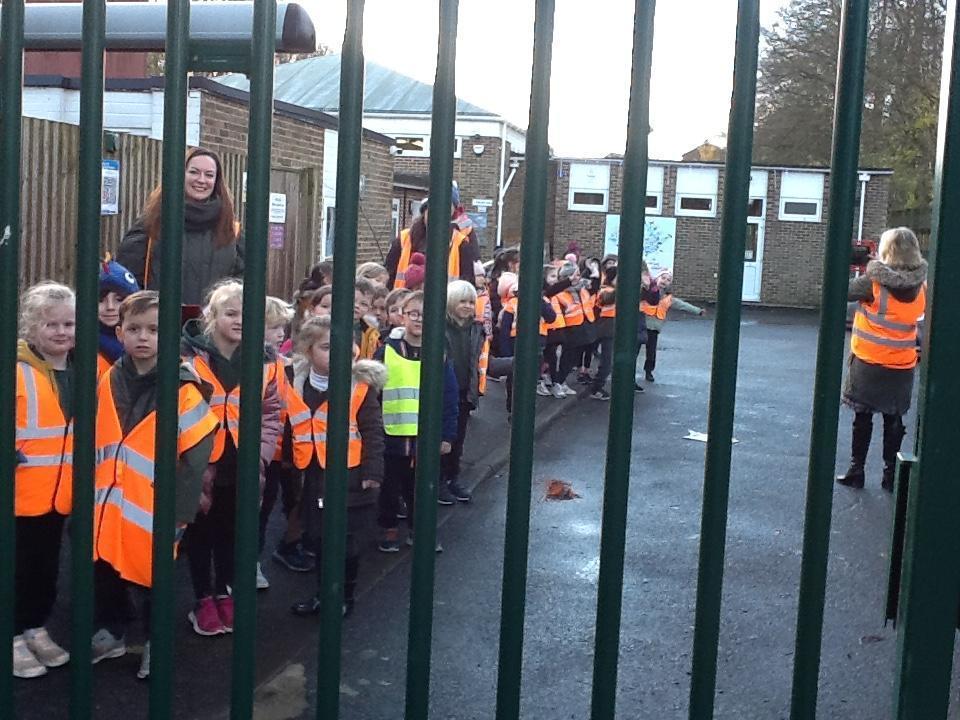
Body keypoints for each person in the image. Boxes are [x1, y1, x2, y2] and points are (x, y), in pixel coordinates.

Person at [90, 291, 218, 679]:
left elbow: (196, 452)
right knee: (105, 570)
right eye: (134, 329)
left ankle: (154, 642)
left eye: (154, 329)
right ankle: (111, 631)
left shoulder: (183, 387)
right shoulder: (109, 377)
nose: (143, 337)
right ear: (120, 332)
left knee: (154, 580)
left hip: (154, 505)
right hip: (107, 501)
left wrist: (180, 510)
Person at [180, 280, 282, 635]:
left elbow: (271, 413)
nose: (239, 320)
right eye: (230, 313)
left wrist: (262, 455)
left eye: (246, 314)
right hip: (201, 462)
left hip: (243, 461)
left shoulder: (265, 362)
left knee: (231, 532)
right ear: (212, 316)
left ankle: (224, 591)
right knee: (200, 533)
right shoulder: (189, 358)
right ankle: (202, 598)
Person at [287, 316, 386, 617]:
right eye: (327, 347)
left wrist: (372, 471)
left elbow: (372, 430)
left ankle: (344, 596)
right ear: (308, 350)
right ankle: (323, 593)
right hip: (312, 474)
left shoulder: (359, 387)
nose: (336, 354)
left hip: (350, 475)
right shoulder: (296, 383)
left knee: (346, 541)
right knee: (319, 538)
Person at [13, 282, 75, 679]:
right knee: (15, 567)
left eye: (68, 323)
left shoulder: (83, 369)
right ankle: (12, 635)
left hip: (59, 494)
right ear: (31, 327)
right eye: (51, 324)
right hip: (20, 492)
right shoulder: (15, 370)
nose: (61, 331)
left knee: (46, 567)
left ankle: (35, 625)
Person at [837, 227, 927, 491]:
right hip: (902, 366)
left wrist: (866, 265)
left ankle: (857, 470)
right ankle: (890, 475)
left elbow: (842, 292)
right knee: (894, 420)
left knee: (862, 418)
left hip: (868, 362)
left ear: (887, 251)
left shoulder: (872, 282)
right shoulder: (922, 286)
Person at [375, 291, 459, 552]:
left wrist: (447, 435)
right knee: (389, 486)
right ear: (403, 316)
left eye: (425, 315)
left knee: (421, 489)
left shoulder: (438, 353)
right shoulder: (386, 351)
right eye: (413, 314)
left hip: (426, 437)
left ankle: (419, 530)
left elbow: (449, 396)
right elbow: (372, 395)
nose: (419, 319)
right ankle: (389, 528)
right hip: (391, 435)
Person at [116, 147, 243, 306]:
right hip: (160, 319)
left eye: (209, 175)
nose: (201, 180)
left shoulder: (232, 232)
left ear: (216, 181)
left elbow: (241, 289)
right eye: (194, 172)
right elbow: (129, 284)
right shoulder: (150, 226)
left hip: (212, 321)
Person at [260, 297, 311, 587]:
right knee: (257, 509)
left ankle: (269, 554)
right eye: (274, 327)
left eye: (283, 328)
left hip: (285, 449)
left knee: (280, 503)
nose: (281, 334)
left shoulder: (286, 365)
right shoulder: (258, 364)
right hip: (262, 450)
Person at [386, 182, 480, 288]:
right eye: (433, 210)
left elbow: (467, 285)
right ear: (425, 212)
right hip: (404, 297)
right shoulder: (404, 239)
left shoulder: (461, 244)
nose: (437, 216)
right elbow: (389, 277)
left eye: (445, 211)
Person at [442, 281, 486, 504]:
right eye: (462, 301)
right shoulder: (441, 326)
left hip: (465, 391)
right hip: (443, 392)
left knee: (457, 441)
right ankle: (438, 481)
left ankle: (452, 478)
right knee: (442, 439)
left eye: (471, 302)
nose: (468, 306)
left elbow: (479, 360)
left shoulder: (476, 329)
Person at [640, 272, 705, 383]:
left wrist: (698, 311)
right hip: (641, 325)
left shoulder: (669, 299)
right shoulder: (646, 291)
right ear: (657, 278)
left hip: (654, 329)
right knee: (635, 350)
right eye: (663, 278)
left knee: (651, 353)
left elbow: (682, 305)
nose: (665, 281)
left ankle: (648, 371)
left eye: (668, 280)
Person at [97, 257, 140, 379]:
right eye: (100, 300)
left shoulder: (154, 343)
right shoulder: (73, 346)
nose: (110, 307)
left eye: (119, 299)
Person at [354, 278, 381, 360]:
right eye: (353, 300)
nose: (356, 306)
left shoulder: (370, 333)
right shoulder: (329, 325)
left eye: (363, 304)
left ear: (369, 308)